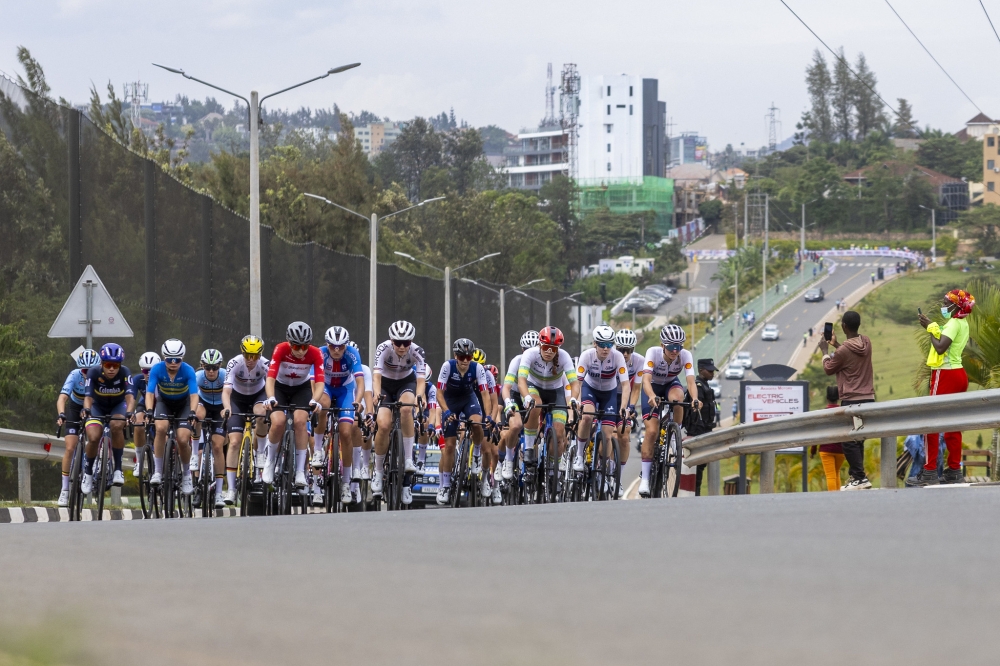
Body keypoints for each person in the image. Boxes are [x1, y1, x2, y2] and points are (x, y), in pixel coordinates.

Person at [910, 289, 974, 486]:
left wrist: (930, 327)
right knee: (953, 425)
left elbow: (940, 347)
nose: (944, 306)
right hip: (959, 374)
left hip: (945, 374)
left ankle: (929, 470)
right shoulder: (962, 322)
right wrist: (933, 328)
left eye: (947, 303)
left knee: (932, 423)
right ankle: (954, 469)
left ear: (956, 306)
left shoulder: (954, 323)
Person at [638, 324, 701, 497]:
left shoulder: (685, 355)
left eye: (679, 346)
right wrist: (651, 396)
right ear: (662, 345)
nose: (675, 351)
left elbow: (690, 381)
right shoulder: (653, 353)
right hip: (652, 388)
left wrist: (695, 398)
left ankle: (676, 432)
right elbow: (646, 380)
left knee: (679, 398)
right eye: (672, 347)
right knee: (651, 431)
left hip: (670, 384)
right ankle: (644, 479)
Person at [263, 322, 325, 488]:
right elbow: (270, 378)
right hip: (280, 387)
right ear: (289, 342)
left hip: (301, 389)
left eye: (305, 346)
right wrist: (270, 397)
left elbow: (319, 383)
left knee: (300, 422)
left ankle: (299, 471)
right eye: (297, 346)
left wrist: (315, 400)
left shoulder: (316, 353)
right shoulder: (281, 349)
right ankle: (269, 463)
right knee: (278, 422)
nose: (301, 351)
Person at [819, 310, 874, 490]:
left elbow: (828, 368)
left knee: (848, 440)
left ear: (843, 326)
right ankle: (857, 477)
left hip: (851, 400)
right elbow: (851, 353)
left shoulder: (842, 352)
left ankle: (859, 477)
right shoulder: (866, 342)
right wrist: (837, 345)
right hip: (868, 399)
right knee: (858, 439)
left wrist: (826, 350)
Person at [372, 320, 425, 502]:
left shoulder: (417, 352)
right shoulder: (383, 348)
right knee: (384, 425)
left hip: (405, 383)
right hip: (385, 384)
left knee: (406, 409)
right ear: (391, 341)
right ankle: (378, 473)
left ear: (411, 342)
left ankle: (408, 459)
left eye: (406, 343)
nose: (402, 347)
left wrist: (419, 397)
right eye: (398, 343)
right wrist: (377, 394)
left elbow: (420, 380)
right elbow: (377, 377)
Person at [575, 325, 631, 487]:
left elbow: (626, 385)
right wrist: (577, 401)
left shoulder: (618, 357)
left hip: (609, 393)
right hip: (589, 389)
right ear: (594, 344)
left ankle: (605, 470)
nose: (606, 349)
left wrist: (624, 407)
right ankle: (579, 455)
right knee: (586, 416)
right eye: (602, 344)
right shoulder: (586, 356)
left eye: (609, 345)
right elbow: (577, 382)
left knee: (607, 436)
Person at [315, 325, 365, 506]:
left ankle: (345, 483)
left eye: (341, 346)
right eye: (332, 346)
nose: (336, 350)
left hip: (345, 390)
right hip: (326, 388)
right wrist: (315, 400)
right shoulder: (320, 354)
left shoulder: (352, 354)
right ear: (326, 344)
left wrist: (358, 401)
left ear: (346, 345)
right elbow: (315, 382)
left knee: (346, 432)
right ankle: (319, 450)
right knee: (324, 405)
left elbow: (360, 382)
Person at [517, 326, 580, 469]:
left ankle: (553, 469)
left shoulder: (564, 357)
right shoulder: (530, 354)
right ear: (539, 344)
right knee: (535, 404)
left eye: (554, 348)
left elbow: (574, 383)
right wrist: (526, 396)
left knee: (558, 433)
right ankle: (528, 448)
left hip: (555, 391)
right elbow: (521, 380)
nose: (549, 352)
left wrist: (574, 399)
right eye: (546, 347)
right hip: (534, 387)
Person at [435, 338, 488, 505]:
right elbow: (439, 393)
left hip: (468, 399)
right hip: (450, 402)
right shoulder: (447, 366)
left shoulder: (477, 368)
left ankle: (476, 454)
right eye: (461, 357)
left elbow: (485, 394)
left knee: (478, 423)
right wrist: (447, 411)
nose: (465, 361)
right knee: (449, 446)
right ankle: (445, 485)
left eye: (468, 357)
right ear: (455, 356)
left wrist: (488, 416)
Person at [221, 335, 271, 505]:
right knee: (234, 442)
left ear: (260, 354)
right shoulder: (234, 363)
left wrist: (271, 401)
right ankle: (232, 489)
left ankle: (260, 454)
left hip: (258, 395)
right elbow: (226, 391)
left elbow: (272, 385)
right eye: (247, 355)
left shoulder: (265, 363)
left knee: (262, 413)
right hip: (237, 399)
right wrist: (227, 407)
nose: (251, 360)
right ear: (242, 353)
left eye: (255, 356)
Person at [80, 343, 136, 495]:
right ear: (102, 364)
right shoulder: (93, 372)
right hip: (98, 406)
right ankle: (88, 473)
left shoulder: (125, 372)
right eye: (108, 365)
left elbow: (130, 397)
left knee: (117, 426)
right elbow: (88, 397)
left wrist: (130, 412)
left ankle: (118, 469)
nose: (112, 369)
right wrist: (86, 409)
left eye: (115, 365)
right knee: (93, 437)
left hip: (118, 406)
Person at [146, 339, 199, 494]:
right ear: (164, 358)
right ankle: (157, 471)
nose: (173, 363)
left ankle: (186, 474)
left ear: (182, 359)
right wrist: (150, 410)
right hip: (165, 402)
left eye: (177, 360)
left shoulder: (188, 371)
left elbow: (194, 395)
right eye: (170, 359)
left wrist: (192, 412)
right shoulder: (157, 369)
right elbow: (150, 392)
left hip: (184, 405)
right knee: (160, 428)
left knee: (183, 439)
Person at [56, 349, 100, 506]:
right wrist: (61, 414)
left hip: (94, 406)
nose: (87, 373)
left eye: (90, 370)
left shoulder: (101, 376)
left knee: (94, 435)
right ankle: (65, 489)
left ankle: (95, 461)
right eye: (84, 370)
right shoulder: (75, 375)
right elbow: (62, 398)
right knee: (70, 448)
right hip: (75, 407)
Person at [500, 330, 539, 480]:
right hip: (516, 396)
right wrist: (508, 403)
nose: (528, 354)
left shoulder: (542, 364)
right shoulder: (516, 361)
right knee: (516, 426)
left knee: (537, 431)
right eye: (525, 350)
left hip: (533, 398)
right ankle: (509, 460)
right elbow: (507, 387)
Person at [193, 348, 227, 508]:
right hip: (204, 404)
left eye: (215, 367)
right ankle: (194, 457)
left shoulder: (225, 375)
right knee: (197, 415)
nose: (211, 371)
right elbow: (192, 396)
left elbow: (231, 394)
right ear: (202, 366)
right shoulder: (198, 377)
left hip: (220, 408)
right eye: (207, 367)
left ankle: (219, 492)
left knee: (218, 446)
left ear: (220, 366)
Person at [687, 359, 717, 496]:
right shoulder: (698, 386)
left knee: (701, 466)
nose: (712, 373)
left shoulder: (704, 385)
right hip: (698, 431)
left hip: (705, 430)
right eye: (709, 371)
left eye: (713, 371)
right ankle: (696, 494)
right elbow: (696, 414)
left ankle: (696, 493)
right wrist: (699, 432)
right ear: (700, 370)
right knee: (698, 467)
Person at [130, 351, 160, 476]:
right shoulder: (137, 379)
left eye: (151, 371)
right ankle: (139, 461)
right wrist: (129, 412)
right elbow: (131, 397)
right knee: (138, 421)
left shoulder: (163, 379)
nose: (148, 374)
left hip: (161, 404)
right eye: (145, 371)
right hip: (145, 404)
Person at [815, 386, 846, 492]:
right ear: (838, 398)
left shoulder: (822, 413)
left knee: (830, 476)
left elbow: (817, 433)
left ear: (827, 398)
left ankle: (833, 497)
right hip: (841, 449)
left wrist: (813, 450)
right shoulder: (843, 412)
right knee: (836, 473)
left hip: (826, 449)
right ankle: (838, 495)